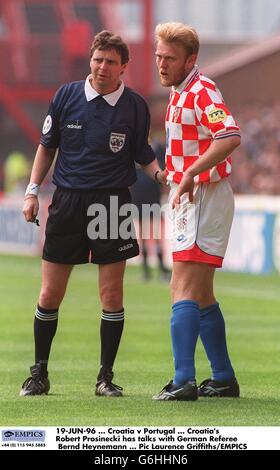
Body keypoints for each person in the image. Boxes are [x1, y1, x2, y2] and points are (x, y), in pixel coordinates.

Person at [20, 30, 164, 398]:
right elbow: (46, 147)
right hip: (67, 202)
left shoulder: (134, 106)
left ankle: (105, 377)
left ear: (124, 68)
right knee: (50, 293)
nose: (102, 67)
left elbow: (142, 154)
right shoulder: (66, 96)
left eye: (111, 62)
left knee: (112, 296)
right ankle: (39, 374)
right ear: (90, 60)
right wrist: (32, 191)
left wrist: (165, 178)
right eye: (98, 59)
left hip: (112, 203)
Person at [153, 22, 241, 401]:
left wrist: (190, 172)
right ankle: (222, 377)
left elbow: (230, 135)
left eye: (169, 58)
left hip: (203, 194)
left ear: (190, 59)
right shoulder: (179, 91)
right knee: (201, 294)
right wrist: (170, 173)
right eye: (158, 56)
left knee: (182, 288)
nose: (161, 63)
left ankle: (183, 380)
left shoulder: (202, 91)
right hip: (192, 193)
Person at [130, 137, 170, 281]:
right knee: (144, 231)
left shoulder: (156, 148)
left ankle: (160, 266)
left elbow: (163, 169)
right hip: (139, 194)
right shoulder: (133, 147)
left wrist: (164, 190)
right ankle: (146, 267)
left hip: (151, 193)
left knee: (155, 231)